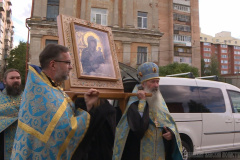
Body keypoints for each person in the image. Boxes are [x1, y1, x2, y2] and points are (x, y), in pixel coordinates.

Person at [10, 44, 101, 159]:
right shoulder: (42, 93)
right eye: (67, 62)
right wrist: (90, 113)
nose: (71, 67)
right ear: (53, 64)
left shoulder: (50, 87)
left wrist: (87, 104)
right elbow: (65, 130)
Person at [113, 62, 183, 160]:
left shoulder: (161, 104)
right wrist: (142, 102)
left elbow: (170, 125)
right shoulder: (134, 104)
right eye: (153, 82)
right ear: (143, 84)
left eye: (157, 82)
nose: (156, 85)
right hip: (139, 153)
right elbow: (138, 129)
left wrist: (171, 134)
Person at [0, 69, 22, 160]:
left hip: (23, 141)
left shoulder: (28, 97)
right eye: (12, 78)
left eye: (18, 78)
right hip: (3, 142)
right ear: (4, 81)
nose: (16, 80)